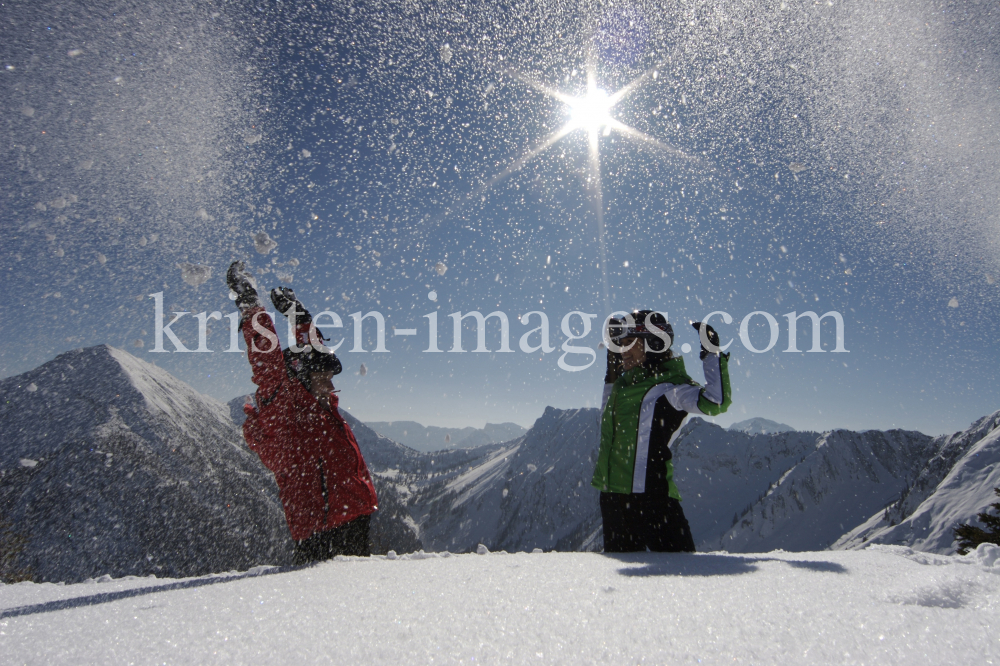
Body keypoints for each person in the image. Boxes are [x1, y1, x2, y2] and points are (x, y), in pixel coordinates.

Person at [227, 261, 378, 564]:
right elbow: (268, 364)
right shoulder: (285, 416)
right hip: (323, 534)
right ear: (305, 378)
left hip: (352, 517)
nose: (332, 385)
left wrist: (299, 317)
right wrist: (250, 306)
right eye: (324, 377)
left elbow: (312, 355)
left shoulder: (319, 404)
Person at [591, 310, 732, 553]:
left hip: (654, 502)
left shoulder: (670, 388)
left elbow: (715, 401)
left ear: (653, 343)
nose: (622, 351)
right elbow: (607, 415)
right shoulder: (623, 388)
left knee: (683, 580)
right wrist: (611, 369)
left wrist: (711, 353)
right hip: (612, 500)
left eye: (628, 343)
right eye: (619, 344)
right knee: (627, 590)